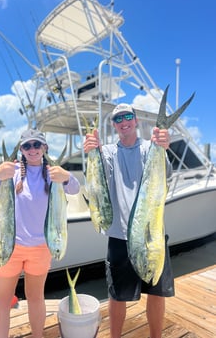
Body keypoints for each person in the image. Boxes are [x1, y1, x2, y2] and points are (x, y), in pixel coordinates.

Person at [0, 128, 80, 338]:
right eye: (27, 146)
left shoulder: (53, 174)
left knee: (36, 297)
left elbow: (75, 189)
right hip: (7, 246)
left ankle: (37, 336)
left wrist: (67, 176)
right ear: (22, 149)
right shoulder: (11, 171)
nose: (32, 149)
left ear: (44, 147)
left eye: (37, 145)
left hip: (41, 248)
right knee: (3, 301)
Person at [84, 104, 175, 338]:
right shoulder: (107, 153)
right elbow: (96, 181)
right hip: (119, 236)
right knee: (117, 295)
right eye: (118, 119)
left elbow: (167, 174)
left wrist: (163, 146)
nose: (123, 122)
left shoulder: (150, 148)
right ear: (114, 125)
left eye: (127, 117)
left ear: (135, 121)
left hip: (151, 235)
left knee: (157, 292)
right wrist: (92, 151)